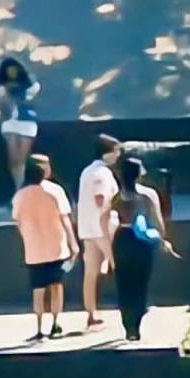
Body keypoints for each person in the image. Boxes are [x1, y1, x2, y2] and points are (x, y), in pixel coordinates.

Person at [98, 152, 178, 343]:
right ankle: (137, 322)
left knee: (123, 283)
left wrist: (107, 240)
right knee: (140, 282)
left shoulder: (117, 195)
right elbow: (157, 220)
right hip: (141, 240)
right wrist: (162, 238)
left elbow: (103, 218)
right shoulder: (148, 194)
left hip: (122, 238)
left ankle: (127, 324)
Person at [11, 152, 77, 342]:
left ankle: (39, 327)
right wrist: (73, 244)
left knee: (38, 290)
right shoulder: (55, 191)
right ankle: (56, 324)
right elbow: (65, 219)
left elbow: (17, 220)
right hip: (57, 247)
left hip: (34, 250)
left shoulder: (20, 195)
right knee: (56, 287)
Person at [76, 132, 122, 330]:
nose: (118, 155)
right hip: (103, 229)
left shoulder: (87, 171)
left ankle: (91, 313)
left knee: (90, 272)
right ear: (106, 153)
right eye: (115, 151)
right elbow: (100, 198)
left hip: (88, 228)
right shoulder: (102, 173)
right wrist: (107, 221)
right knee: (119, 267)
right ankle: (127, 308)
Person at [0, 53, 41, 189]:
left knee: (22, 159)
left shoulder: (31, 84)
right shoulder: (3, 87)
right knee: (13, 160)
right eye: (8, 70)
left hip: (27, 122)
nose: (11, 73)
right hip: (10, 124)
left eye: (13, 69)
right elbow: (3, 107)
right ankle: (18, 187)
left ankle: (23, 187)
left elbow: (34, 102)